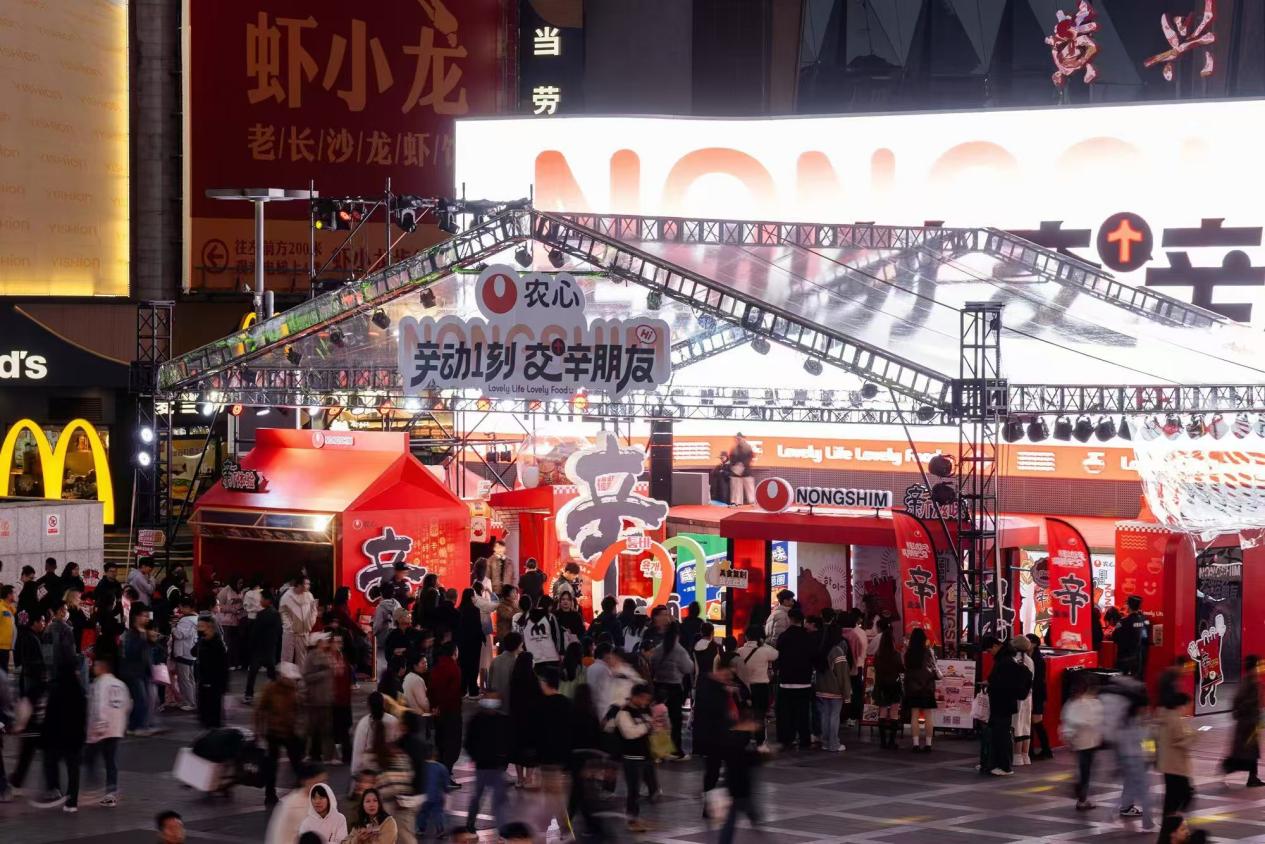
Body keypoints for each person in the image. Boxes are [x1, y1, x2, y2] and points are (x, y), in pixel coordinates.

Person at [34, 657, 87, 811]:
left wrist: (44, 736)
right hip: (74, 737)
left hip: (57, 737)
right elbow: (83, 715)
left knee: (50, 761)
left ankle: (54, 788)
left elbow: (49, 715)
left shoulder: (55, 689)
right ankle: (72, 802)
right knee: (73, 769)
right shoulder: (78, 690)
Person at [1102, 673, 1153, 828]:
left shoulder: (1124, 721)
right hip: (1137, 759)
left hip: (1126, 757)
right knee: (1144, 790)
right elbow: (1146, 740)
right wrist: (1151, 755)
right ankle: (1147, 823)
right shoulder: (1137, 723)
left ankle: (1113, 812)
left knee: (1131, 786)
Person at [84, 652, 131, 807]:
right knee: (111, 760)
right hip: (116, 727)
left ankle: (93, 785)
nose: (93, 668)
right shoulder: (120, 684)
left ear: (102, 668)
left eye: (95, 665)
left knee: (90, 757)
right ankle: (111, 791)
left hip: (101, 728)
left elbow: (98, 705)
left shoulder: (99, 683)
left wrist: (98, 725)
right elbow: (127, 704)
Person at [256, 662, 305, 806]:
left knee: (296, 761)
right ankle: (270, 794)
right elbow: (260, 710)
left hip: (289, 731)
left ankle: (302, 789)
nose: (294, 681)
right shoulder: (270, 689)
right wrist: (259, 730)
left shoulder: (293, 690)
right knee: (272, 765)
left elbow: (299, 711)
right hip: (274, 732)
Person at [536, 666, 575, 838]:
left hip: (548, 758)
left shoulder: (541, 705)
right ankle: (546, 826)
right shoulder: (567, 703)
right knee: (552, 794)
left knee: (554, 796)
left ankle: (563, 829)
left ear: (545, 683)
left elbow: (537, 733)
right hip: (564, 757)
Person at [465, 692, 512, 833]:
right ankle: (471, 823)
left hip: (495, 766)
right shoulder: (478, 719)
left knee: (496, 799)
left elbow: (509, 742)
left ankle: (502, 829)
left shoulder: (501, 720)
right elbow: (469, 741)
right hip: (484, 766)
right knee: (479, 797)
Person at [1156, 659, 1196, 820]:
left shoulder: (1165, 717)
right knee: (1182, 793)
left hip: (1167, 763)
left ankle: (1170, 821)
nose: (1187, 671)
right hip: (1175, 765)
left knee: (1172, 795)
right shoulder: (1174, 719)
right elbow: (1180, 741)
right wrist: (1194, 735)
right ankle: (1173, 821)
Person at [616, 682, 659, 832]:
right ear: (635, 696)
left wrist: (653, 727)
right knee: (633, 791)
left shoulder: (644, 710)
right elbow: (630, 733)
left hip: (646, 756)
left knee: (652, 787)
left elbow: (649, 728)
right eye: (643, 698)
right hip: (632, 758)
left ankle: (636, 817)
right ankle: (632, 820)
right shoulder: (624, 713)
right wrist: (647, 726)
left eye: (647, 699)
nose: (645, 702)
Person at [986, 636, 1032, 775]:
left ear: (996, 646)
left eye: (989, 650)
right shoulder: (1013, 660)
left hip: (1003, 703)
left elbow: (1002, 682)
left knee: (1003, 734)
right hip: (1008, 703)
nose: (989, 653)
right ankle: (1004, 762)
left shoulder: (1006, 661)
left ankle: (1005, 765)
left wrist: (992, 685)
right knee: (1012, 731)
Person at [1060, 671, 1104, 810]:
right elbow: (1095, 721)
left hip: (1082, 741)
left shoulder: (1075, 703)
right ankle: (1082, 797)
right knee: (1086, 770)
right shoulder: (1090, 703)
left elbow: (1067, 721)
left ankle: (1082, 793)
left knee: (1085, 768)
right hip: (1088, 742)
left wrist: (1068, 737)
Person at [649, 621, 693, 759]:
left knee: (659, 720)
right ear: (678, 634)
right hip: (674, 688)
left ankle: (659, 750)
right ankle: (676, 750)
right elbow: (688, 668)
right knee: (675, 720)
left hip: (658, 686)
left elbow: (652, 664)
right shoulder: (679, 650)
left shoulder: (658, 648)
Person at [1223, 653, 1264, 786]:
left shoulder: (1249, 680)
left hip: (1249, 722)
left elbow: (1238, 700)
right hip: (1248, 723)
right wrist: (1247, 711)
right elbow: (1243, 701)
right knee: (1248, 751)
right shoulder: (1251, 681)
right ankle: (1229, 768)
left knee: (1249, 751)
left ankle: (1251, 777)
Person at [733, 628, 777, 749]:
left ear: (746, 637)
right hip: (761, 687)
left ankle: (744, 741)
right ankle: (760, 742)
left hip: (745, 687)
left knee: (745, 714)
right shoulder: (765, 651)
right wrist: (763, 644)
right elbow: (776, 654)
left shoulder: (740, 651)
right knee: (760, 716)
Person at [264, 763, 327, 844]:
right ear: (307, 781)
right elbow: (277, 837)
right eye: (320, 781)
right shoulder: (290, 805)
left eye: (325, 781)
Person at [428, 641, 463, 783]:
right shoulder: (454, 669)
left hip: (438, 712)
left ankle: (440, 773)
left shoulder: (436, 667)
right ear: (454, 653)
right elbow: (452, 694)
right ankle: (446, 776)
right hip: (451, 712)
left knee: (441, 742)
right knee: (452, 745)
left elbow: (431, 689)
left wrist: (434, 706)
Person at [816, 624, 852, 753]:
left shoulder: (822, 649)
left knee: (825, 716)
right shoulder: (837, 651)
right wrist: (847, 694)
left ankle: (825, 742)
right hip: (835, 690)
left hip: (821, 689)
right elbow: (843, 675)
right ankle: (834, 743)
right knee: (834, 717)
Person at [510, 650, 542, 787]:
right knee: (530, 750)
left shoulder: (514, 679)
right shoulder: (534, 679)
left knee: (517, 750)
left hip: (516, 719)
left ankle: (520, 779)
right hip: (531, 720)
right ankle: (529, 779)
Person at [121, 603, 155, 733]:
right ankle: (135, 726)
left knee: (146, 700)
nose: (146, 618)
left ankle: (139, 725)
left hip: (144, 671)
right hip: (134, 672)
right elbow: (130, 652)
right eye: (144, 616)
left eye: (147, 616)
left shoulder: (144, 632)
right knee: (141, 700)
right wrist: (145, 639)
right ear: (136, 617)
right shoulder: (131, 634)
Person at [305, 633, 337, 764]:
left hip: (325, 698)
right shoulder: (311, 657)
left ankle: (327, 755)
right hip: (315, 698)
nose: (326, 642)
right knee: (314, 729)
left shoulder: (327, 655)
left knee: (326, 729)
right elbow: (307, 677)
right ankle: (314, 754)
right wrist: (323, 673)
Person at [244, 588, 280, 703]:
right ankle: (275, 695)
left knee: (252, 673)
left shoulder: (261, 615)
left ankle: (249, 695)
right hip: (270, 648)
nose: (260, 601)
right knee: (272, 673)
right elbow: (279, 632)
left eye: (262, 599)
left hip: (259, 649)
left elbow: (255, 633)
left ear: (268, 600)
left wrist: (251, 646)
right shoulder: (276, 614)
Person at [872, 619, 903, 750]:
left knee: (883, 712)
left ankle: (883, 742)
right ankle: (891, 741)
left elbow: (875, 668)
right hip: (894, 685)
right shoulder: (896, 655)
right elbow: (901, 669)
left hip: (881, 685)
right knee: (894, 713)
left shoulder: (878, 656)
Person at [352, 691, 400, 778]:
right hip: (390, 766)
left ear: (368, 706)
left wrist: (355, 771)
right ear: (383, 704)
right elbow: (398, 744)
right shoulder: (393, 721)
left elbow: (358, 750)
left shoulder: (363, 723)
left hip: (369, 769)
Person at [193, 612, 228, 728]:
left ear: (210, 627)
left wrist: (223, 685)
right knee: (203, 712)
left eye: (202, 626)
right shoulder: (202, 641)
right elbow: (193, 652)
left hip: (214, 683)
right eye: (198, 626)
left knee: (213, 713)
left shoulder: (218, 644)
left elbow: (223, 666)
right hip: (203, 681)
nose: (199, 629)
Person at [516, 594, 563, 671]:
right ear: (549, 606)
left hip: (533, 658)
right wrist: (560, 652)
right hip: (551, 657)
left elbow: (521, 635)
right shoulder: (550, 617)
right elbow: (557, 637)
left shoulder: (526, 617)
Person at [280, 576, 317, 670]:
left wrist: (311, 622)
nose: (308, 586)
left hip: (304, 632)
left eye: (309, 584)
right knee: (287, 658)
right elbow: (283, 612)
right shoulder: (287, 596)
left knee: (302, 659)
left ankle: (300, 678)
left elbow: (314, 609)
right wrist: (289, 626)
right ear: (299, 585)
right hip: (290, 633)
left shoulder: (309, 595)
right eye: (306, 584)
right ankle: (286, 678)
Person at [1026, 633, 1053, 760]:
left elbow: (1039, 680)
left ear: (1034, 644)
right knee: (1031, 722)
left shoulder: (1038, 660)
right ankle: (1031, 750)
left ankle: (1045, 750)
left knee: (1036, 722)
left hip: (1037, 694)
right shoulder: (1028, 657)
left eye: (1028, 641)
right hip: (1031, 693)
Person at [455, 588, 485, 698]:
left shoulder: (459, 610)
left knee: (462, 665)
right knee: (473, 665)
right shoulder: (475, 610)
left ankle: (462, 689)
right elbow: (478, 627)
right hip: (474, 643)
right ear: (471, 597)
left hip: (462, 643)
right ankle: (473, 690)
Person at [170, 598, 198, 712]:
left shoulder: (186, 620)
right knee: (190, 679)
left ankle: (190, 702)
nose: (180, 609)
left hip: (183, 652)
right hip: (191, 652)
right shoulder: (196, 618)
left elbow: (180, 635)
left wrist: (173, 627)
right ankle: (191, 701)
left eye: (181, 606)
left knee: (184, 680)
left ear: (187, 607)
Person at [1113, 594, 1150, 681]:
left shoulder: (1123, 622)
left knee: (1123, 682)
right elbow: (1146, 638)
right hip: (1140, 658)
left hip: (1125, 658)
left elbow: (1115, 637)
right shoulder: (1145, 621)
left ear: (1128, 606)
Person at [1011, 636, 1036, 765]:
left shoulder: (1013, 659)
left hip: (1016, 697)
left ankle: (1016, 756)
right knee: (1026, 725)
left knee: (1016, 725)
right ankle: (1025, 756)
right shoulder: (1030, 661)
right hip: (1028, 696)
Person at [216, 577, 246, 669]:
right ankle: (229, 663)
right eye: (239, 583)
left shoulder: (241, 591)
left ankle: (236, 662)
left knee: (236, 644)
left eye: (242, 583)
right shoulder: (225, 591)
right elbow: (218, 607)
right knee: (227, 643)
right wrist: (232, 610)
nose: (240, 585)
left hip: (237, 621)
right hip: (226, 622)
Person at [489, 632, 522, 705]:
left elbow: (489, 682)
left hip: (494, 702)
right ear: (519, 645)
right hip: (510, 703)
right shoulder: (517, 662)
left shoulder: (495, 660)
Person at [728, 432, 756, 506]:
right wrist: (735, 467)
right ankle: (736, 502)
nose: (738, 439)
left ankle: (752, 501)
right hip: (736, 471)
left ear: (743, 438)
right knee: (736, 487)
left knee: (749, 487)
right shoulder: (734, 449)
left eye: (739, 438)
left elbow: (750, 458)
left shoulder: (748, 448)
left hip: (746, 470)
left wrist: (743, 465)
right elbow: (731, 459)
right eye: (737, 438)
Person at [402, 649, 431, 719]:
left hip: (410, 714)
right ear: (415, 666)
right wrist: (432, 710)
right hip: (418, 716)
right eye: (423, 663)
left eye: (426, 662)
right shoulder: (417, 680)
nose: (426, 665)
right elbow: (423, 703)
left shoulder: (408, 676)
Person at [0, 584, 15, 671]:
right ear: (9, 595)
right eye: (14, 593)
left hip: (7, 647)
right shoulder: (1, 608)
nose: (15, 595)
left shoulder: (9, 609)